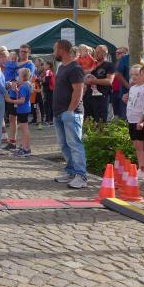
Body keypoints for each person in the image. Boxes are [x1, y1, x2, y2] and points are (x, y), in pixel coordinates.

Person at [51, 40, 88, 189]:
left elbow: (78, 91)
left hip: (71, 113)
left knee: (74, 144)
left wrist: (70, 110)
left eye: (55, 49)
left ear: (61, 50)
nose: (53, 53)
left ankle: (81, 176)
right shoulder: (61, 67)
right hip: (59, 113)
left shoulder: (75, 68)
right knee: (64, 145)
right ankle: (71, 171)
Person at [4, 45, 35, 149]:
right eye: (21, 51)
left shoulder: (30, 65)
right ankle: (12, 142)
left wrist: (15, 83)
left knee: (23, 123)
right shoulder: (15, 63)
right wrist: (11, 83)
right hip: (12, 94)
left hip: (21, 95)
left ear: (29, 53)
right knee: (12, 118)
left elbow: (28, 79)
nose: (22, 53)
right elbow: (8, 72)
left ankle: (25, 145)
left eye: (25, 52)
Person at [114, 44, 144, 120]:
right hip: (126, 92)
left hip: (143, 93)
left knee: (143, 115)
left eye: (141, 46)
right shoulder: (125, 58)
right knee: (126, 117)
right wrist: (129, 86)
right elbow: (118, 73)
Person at [124, 65, 144, 178]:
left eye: (137, 75)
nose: (134, 77)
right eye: (132, 75)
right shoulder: (133, 88)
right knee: (137, 146)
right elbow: (133, 103)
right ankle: (141, 168)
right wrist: (126, 100)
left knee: (142, 146)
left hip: (139, 120)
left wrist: (142, 120)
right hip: (131, 120)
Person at [83, 45, 115, 123]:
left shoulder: (109, 65)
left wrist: (93, 81)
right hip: (88, 97)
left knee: (100, 122)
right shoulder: (92, 64)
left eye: (98, 52)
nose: (96, 54)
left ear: (105, 54)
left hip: (101, 98)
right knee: (88, 122)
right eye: (95, 52)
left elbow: (109, 81)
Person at [6, 67, 33, 157]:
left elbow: (22, 100)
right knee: (24, 129)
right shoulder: (26, 85)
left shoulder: (24, 86)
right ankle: (25, 147)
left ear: (23, 77)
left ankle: (26, 149)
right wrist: (17, 90)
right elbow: (22, 97)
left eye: (19, 75)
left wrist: (10, 100)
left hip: (23, 109)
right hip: (24, 109)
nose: (17, 77)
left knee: (24, 130)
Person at [111, 47, 128, 119]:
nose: (117, 54)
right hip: (114, 91)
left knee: (123, 112)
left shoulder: (126, 64)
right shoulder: (115, 64)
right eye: (116, 53)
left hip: (123, 90)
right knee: (116, 113)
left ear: (125, 54)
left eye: (119, 53)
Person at [42, 60, 55, 125]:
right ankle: (50, 120)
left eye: (45, 65)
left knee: (48, 105)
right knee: (50, 105)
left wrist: (41, 82)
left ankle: (49, 120)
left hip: (49, 90)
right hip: (51, 90)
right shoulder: (51, 72)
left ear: (48, 66)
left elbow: (46, 82)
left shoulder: (48, 71)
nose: (43, 66)